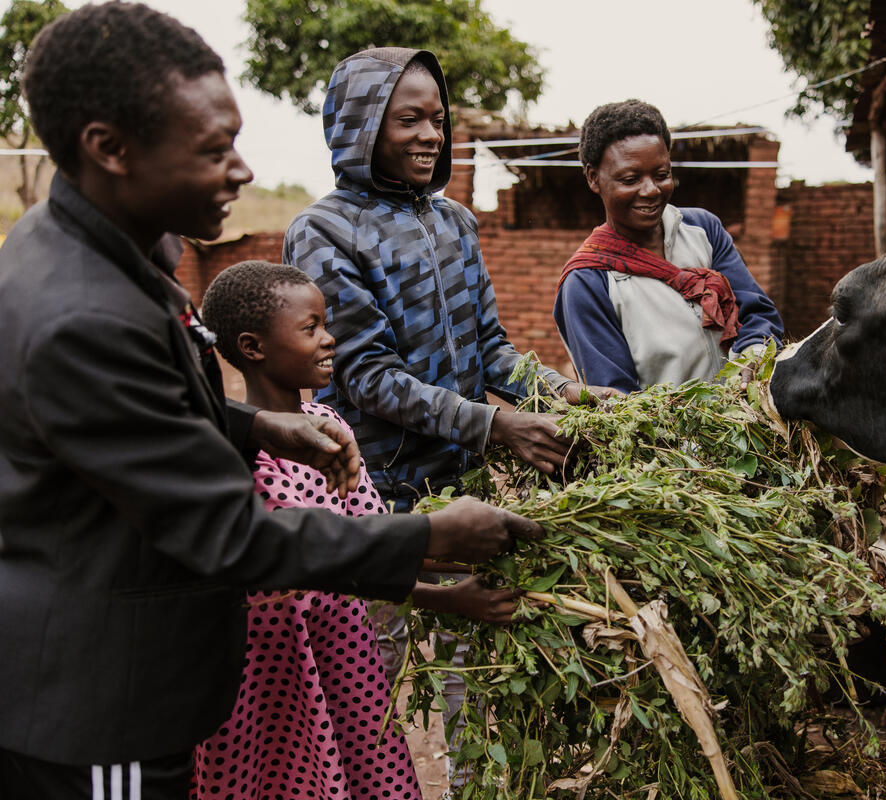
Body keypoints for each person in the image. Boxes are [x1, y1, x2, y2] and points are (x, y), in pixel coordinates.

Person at [0, 6, 537, 799]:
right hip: (101, 700)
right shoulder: (84, 314)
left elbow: (138, 412)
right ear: (109, 149)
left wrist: (256, 423)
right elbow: (229, 534)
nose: (245, 171)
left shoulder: (101, 249)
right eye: (214, 149)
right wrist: (425, 536)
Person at [282, 47, 613, 792]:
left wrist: (560, 394)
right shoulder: (324, 232)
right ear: (361, 126)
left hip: (458, 496)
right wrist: (497, 428)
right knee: (370, 686)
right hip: (370, 498)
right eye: (409, 119)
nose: (431, 134)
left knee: (475, 688)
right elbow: (364, 377)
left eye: (438, 118)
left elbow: (490, 348)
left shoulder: (455, 222)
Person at [195, 261, 525, 800]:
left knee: (366, 773)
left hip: (348, 659)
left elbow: (373, 536)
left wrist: (491, 558)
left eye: (325, 324)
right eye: (310, 328)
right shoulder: (243, 463)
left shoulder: (333, 429)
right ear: (253, 347)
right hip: (276, 673)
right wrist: (446, 601)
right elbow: (327, 567)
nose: (329, 339)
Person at [554, 99, 785, 393]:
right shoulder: (587, 282)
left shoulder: (703, 229)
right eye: (630, 179)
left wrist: (751, 359)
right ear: (593, 178)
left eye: (661, 175)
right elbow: (617, 403)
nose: (651, 190)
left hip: (747, 423)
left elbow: (757, 313)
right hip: (668, 438)